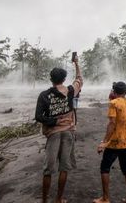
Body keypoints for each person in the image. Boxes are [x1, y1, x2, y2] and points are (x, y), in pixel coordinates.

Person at [35, 56, 83, 203]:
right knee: (64, 168)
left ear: (51, 79)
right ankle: (59, 199)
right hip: (68, 133)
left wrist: (54, 120)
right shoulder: (70, 91)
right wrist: (76, 63)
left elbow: (38, 116)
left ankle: (44, 200)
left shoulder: (44, 95)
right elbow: (80, 79)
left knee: (48, 170)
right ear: (64, 79)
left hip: (53, 134)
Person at [94, 82, 126, 203]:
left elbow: (112, 123)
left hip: (114, 143)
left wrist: (104, 141)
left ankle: (106, 198)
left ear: (114, 92)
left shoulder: (114, 103)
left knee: (105, 168)